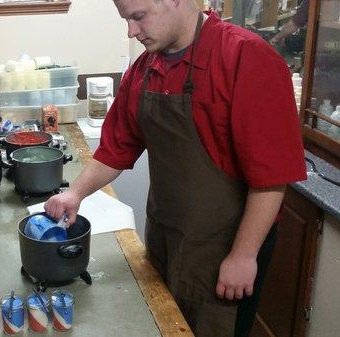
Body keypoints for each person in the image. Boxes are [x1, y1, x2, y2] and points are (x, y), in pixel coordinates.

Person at [44, 0, 306, 336]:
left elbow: (271, 180)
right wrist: (75, 193)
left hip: (225, 247)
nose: (131, 31)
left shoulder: (245, 58)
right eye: (126, 20)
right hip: (166, 235)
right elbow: (116, 148)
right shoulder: (144, 70)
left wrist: (243, 256)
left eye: (138, 17)